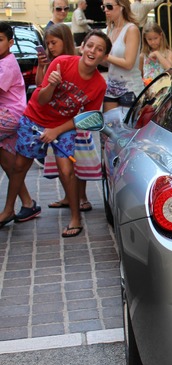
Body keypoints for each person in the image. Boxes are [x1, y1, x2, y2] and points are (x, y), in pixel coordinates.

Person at [0, 31, 111, 237]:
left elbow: (85, 119)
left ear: (104, 57)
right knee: (19, 166)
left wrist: (56, 131)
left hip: (64, 125)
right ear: (82, 47)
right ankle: (8, 210)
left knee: (66, 169)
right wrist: (51, 83)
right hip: (34, 119)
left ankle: (75, 218)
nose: (93, 51)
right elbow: (41, 100)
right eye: (90, 45)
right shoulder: (62, 62)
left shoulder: (99, 85)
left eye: (99, 49)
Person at [36, 24, 99, 213]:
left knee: (78, 159)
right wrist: (42, 66)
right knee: (63, 162)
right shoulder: (53, 62)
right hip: (55, 119)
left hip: (74, 121)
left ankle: (82, 197)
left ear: (66, 41)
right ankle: (68, 196)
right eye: (48, 44)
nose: (50, 47)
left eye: (54, 43)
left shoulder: (75, 63)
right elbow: (40, 86)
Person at [0, 22, 39, 228]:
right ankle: (27, 203)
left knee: (13, 165)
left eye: (0, 40)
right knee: (9, 163)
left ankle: (7, 210)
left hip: (10, 115)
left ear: (10, 42)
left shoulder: (6, 63)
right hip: (7, 117)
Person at [102, 0, 145, 112]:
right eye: (104, 7)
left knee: (127, 129)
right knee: (109, 127)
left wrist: (105, 56)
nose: (106, 9)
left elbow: (128, 63)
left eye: (109, 6)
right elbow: (108, 63)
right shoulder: (109, 29)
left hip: (130, 89)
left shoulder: (131, 29)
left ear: (121, 7)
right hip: (111, 88)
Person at [139, 21, 172, 85]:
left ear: (160, 35)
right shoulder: (143, 56)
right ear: (145, 39)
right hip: (149, 91)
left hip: (164, 90)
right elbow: (140, 76)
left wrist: (157, 54)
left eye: (155, 38)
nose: (153, 42)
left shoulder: (168, 53)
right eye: (149, 39)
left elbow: (170, 68)